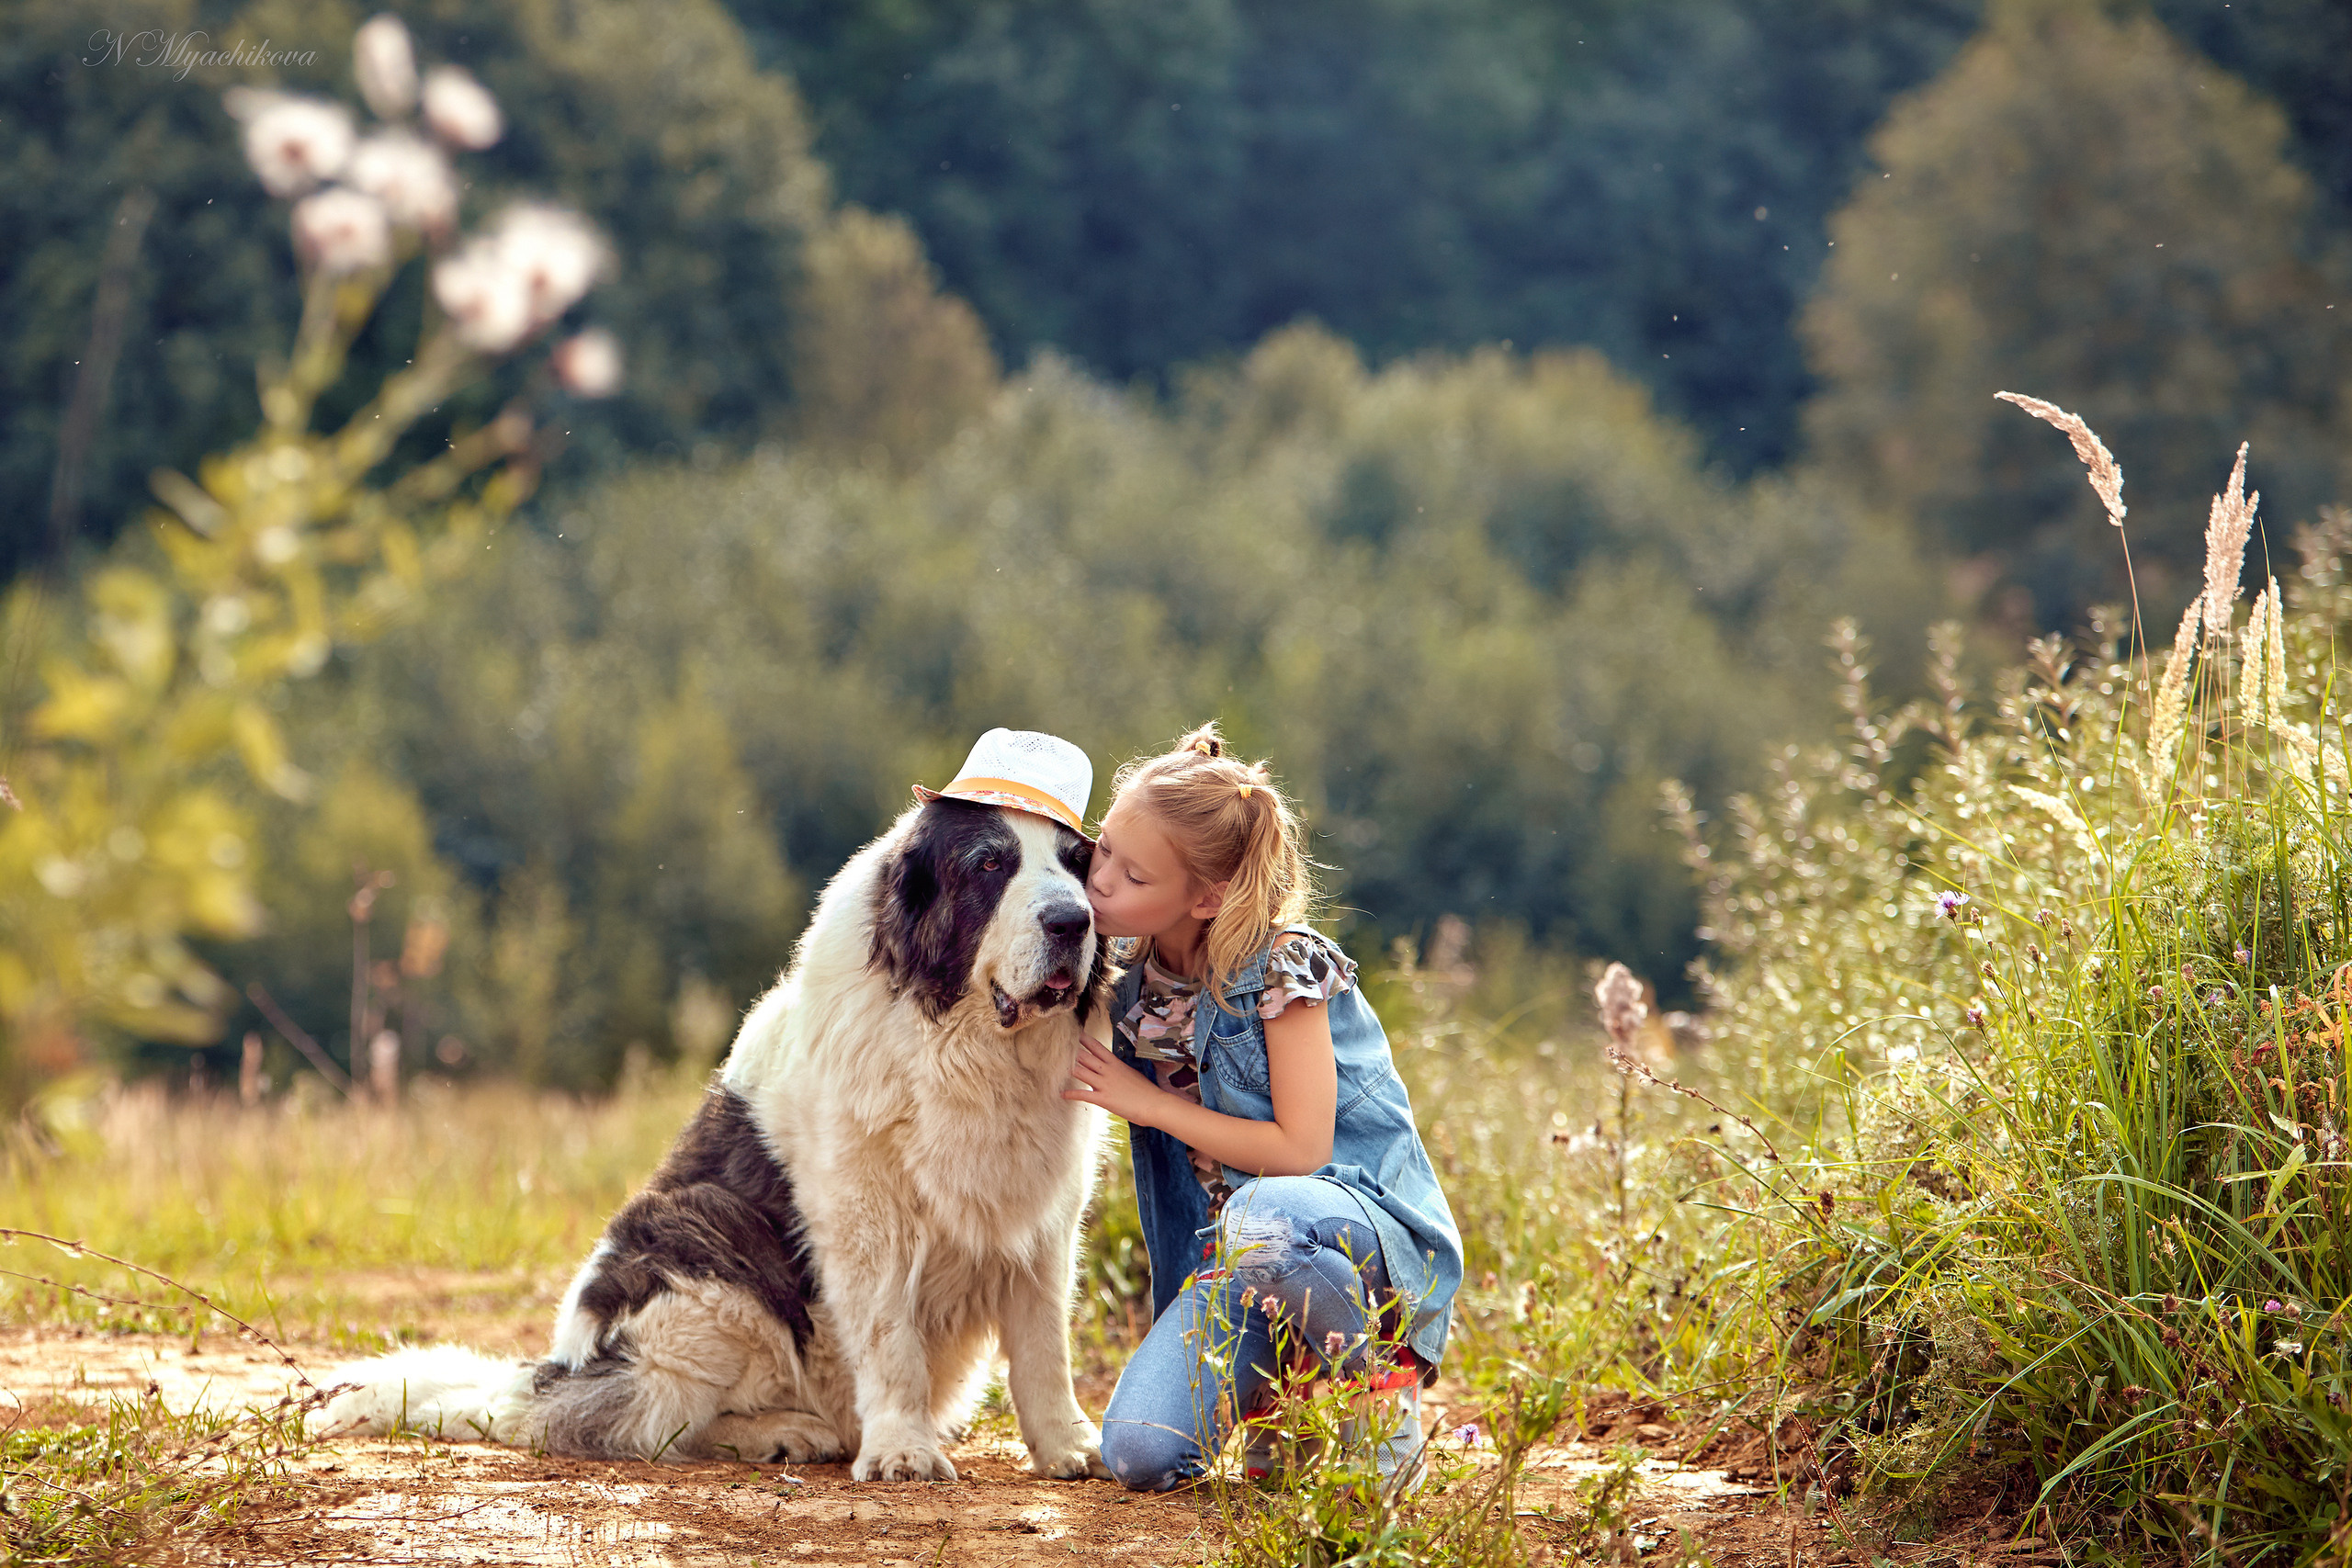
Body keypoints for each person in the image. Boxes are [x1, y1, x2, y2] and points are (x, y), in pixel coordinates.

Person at [1063, 721, 1463, 1493]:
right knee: (1140, 1452)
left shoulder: (1283, 966)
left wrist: (1149, 1103)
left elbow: (1302, 1149)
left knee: (1264, 1217)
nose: (1102, 879)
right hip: (1235, 1264)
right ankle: (1288, 1397)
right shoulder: (1124, 986)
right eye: (1101, 847)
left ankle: (1375, 1397)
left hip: (1349, 1233)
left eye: (1134, 875)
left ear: (1206, 897)